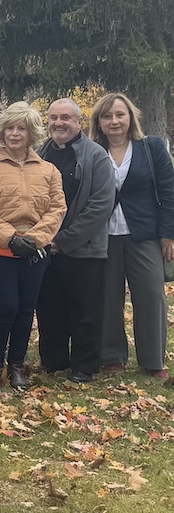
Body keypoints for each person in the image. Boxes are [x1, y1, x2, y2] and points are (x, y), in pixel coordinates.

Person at [0, 101, 66, 390]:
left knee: (26, 308)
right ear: (2, 131)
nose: (14, 134)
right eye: (10, 128)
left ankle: (17, 366)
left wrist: (34, 239)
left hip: (35, 249)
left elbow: (57, 208)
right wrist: (10, 237)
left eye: (21, 128)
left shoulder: (48, 170)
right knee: (5, 306)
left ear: (31, 133)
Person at [91, 93, 174, 378]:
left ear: (130, 118)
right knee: (107, 297)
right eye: (107, 116)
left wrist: (168, 234)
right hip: (104, 235)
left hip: (145, 234)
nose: (114, 121)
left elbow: (168, 192)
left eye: (119, 115)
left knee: (151, 296)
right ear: (99, 122)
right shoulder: (92, 151)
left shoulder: (151, 148)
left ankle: (153, 360)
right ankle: (112, 355)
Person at [35, 98, 113, 383]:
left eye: (66, 117)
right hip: (46, 247)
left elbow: (101, 206)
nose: (59, 123)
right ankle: (54, 360)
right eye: (54, 117)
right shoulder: (40, 154)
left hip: (84, 249)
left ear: (79, 122)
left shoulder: (97, 156)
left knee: (85, 310)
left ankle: (85, 365)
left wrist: (64, 240)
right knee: (49, 307)